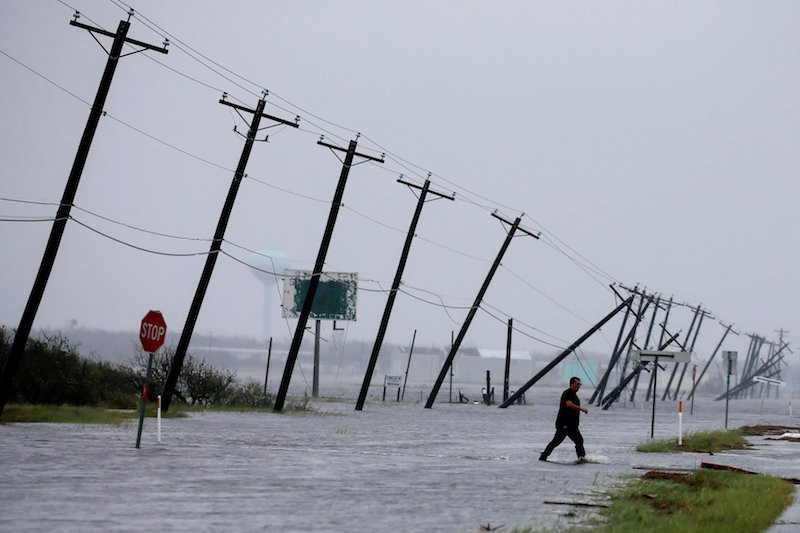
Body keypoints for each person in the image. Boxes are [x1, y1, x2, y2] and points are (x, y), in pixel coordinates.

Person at [539, 376, 588, 462]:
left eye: (580, 384)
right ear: (572, 384)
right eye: (577, 384)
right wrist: (581, 408)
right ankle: (581, 458)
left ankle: (581, 458)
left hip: (571, 424)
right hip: (565, 423)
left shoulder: (574, 395)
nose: (578, 386)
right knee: (558, 441)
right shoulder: (568, 393)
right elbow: (568, 404)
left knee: (578, 440)